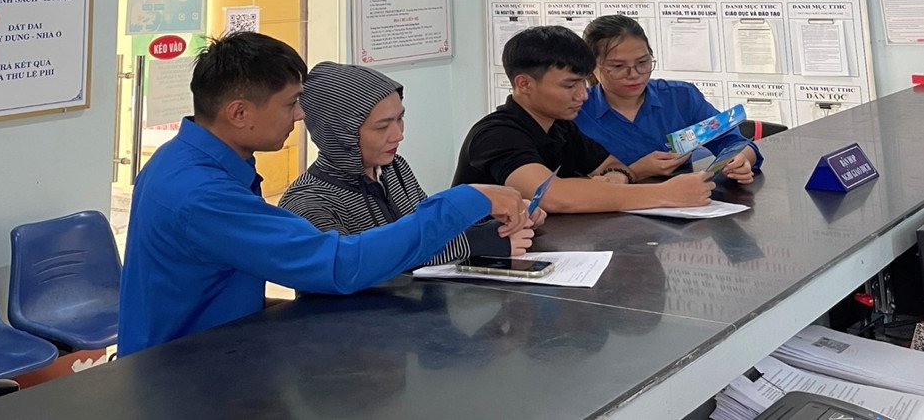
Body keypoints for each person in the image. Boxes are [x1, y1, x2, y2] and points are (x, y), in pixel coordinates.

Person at [118, 32, 526, 356]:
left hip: (219, 347)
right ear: (239, 113)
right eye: (291, 104)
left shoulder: (189, 159)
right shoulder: (201, 193)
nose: (300, 115)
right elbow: (338, 264)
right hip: (185, 372)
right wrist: (464, 200)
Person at [278, 61, 539, 262]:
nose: (398, 135)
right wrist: (477, 241)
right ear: (341, 134)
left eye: (400, 119)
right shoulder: (308, 202)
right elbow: (360, 266)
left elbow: (428, 231)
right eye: (382, 127)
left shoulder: (394, 169)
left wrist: (498, 218)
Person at [453, 25, 715, 213]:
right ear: (524, 84)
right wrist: (666, 194)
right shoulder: (495, 134)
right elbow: (551, 196)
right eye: (570, 85)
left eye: (583, 83)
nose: (582, 95)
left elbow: (613, 166)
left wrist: (618, 177)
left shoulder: (561, 128)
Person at [574, 14, 761, 182]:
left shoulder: (680, 97)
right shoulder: (575, 111)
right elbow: (565, 187)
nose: (634, 74)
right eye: (617, 66)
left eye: (642, 62)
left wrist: (741, 159)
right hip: (610, 207)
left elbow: (732, 141)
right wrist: (636, 172)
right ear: (592, 67)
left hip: (686, 202)